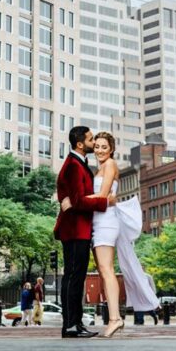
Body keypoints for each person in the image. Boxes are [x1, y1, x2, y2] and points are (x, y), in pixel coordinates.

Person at [60, 131, 159, 338]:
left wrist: (75, 200)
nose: (100, 150)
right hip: (96, 222)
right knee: (104, 271)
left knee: (107, 270)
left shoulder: (110, 164)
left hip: (106, 221)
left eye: (104, 147)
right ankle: (114, 317)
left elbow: (103, 196)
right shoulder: (97, 168)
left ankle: (115, 318)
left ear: (111, 149)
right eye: (96, 146)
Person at [54, 126, 114, 339]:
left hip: (80, 229)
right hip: (74, 229)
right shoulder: (73, 165)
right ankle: (71, 326)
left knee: (76, 278)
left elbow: (75, 199)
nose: (93, 142)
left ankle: (75, 324)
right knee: (72, 278)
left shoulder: (78, 164)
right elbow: (78, 200)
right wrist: (105, 202)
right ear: (80, 144)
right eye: (90, 139)